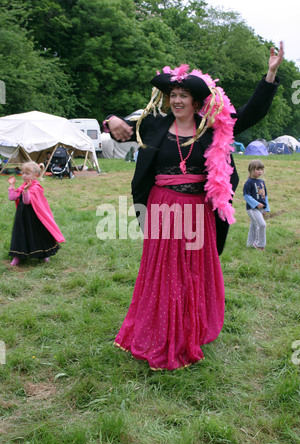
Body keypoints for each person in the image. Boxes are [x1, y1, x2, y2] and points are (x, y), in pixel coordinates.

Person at [105, 42, 284, 370]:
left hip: (198, 212)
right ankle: (159, 330)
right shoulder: (154, 124)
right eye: (172, 94)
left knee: (190, 272)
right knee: (162, 273)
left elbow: (253, 111)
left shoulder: (213, 127)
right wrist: (110, 119)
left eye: (183, 95)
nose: (176, 100)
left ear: (196, 101)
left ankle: (188, 328)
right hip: (162, 208)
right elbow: (120, 130)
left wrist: (270, 73)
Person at [8, 161, 65, 266]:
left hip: (35, 218)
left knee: (38, 235)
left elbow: (27, 201)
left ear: (36, 175)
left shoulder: (36, 187)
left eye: (27, 173)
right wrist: (12, 185)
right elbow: (12, 197)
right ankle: (17, 257)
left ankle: (44, 255)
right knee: (20, 235)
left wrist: (26, 191)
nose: (24, 175)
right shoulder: (22, 186)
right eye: (23, 173)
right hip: (22, 218)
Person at [243, 160, 269, 250]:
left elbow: (265, 195)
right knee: (261, 225)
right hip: (252, 209)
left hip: (261, 209)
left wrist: (266, 208)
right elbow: (246, 196)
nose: (260, 171)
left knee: (254, 226)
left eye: (261, 169)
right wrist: (257, 204)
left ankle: (250, 244)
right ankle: (259, 245)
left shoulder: (261, 182)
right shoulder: (249, 182)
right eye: (257, 169)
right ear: (251, 170)